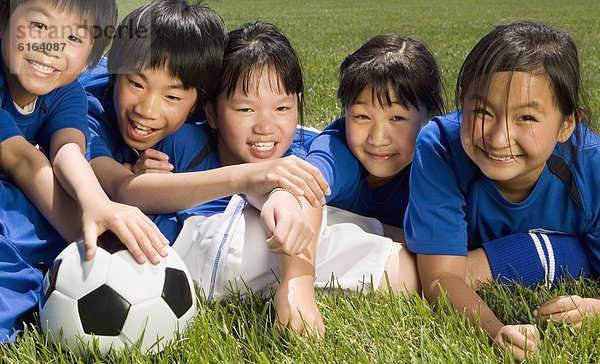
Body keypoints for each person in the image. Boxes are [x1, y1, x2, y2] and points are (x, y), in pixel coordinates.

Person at [163, 21, 420, 339]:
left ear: (298, 103)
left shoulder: (305, 145)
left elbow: (307, 189)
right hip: (218, 247)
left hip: (320, 235)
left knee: (323, 223)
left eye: (283, 107)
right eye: (246, 109)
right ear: (212, 112)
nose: (265, 127)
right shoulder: (184, 142)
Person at [404, 22, 600, 361]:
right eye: (482, 112)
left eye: (525, 117)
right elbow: (441, 276)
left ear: (568, 123)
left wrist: (595, 309)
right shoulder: (441, 147)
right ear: (463, 99)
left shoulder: (590, 164)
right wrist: (496, 330)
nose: (497, 138)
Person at [81, 0, 329, 246]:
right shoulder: (85, 113)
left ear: (201, 103)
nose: (147, 109)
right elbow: (122, 189)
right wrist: (249, 176)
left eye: (172, 96)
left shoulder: (206, 105)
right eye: (136, 84)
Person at [0, 0, 168, 266]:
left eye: (73, 37)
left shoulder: (68, 93)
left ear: (91, 60)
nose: (50, 47)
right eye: (39, 25)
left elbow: (67, 149)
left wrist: (97, 204)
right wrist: (97, 242)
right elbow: (21, 160)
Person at [306, 34, 444, 235]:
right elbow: (305, 187)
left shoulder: (442, 167)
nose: (378, 139)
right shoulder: (337, 150)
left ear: (433, 117)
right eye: (362, 117)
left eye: (397, 118)